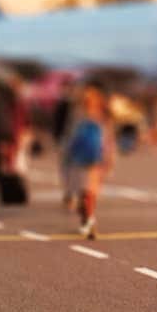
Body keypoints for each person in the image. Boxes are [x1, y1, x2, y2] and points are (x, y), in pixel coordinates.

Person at [64, 84, 115, 239]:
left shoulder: (79, 116)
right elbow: (108, 141)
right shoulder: (101, 117)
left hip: (83, 158)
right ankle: (88, 220)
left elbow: (71, 138)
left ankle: (88, 220)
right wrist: (109, 159)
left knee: (86, 192)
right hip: (94, 158)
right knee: (89, 193)